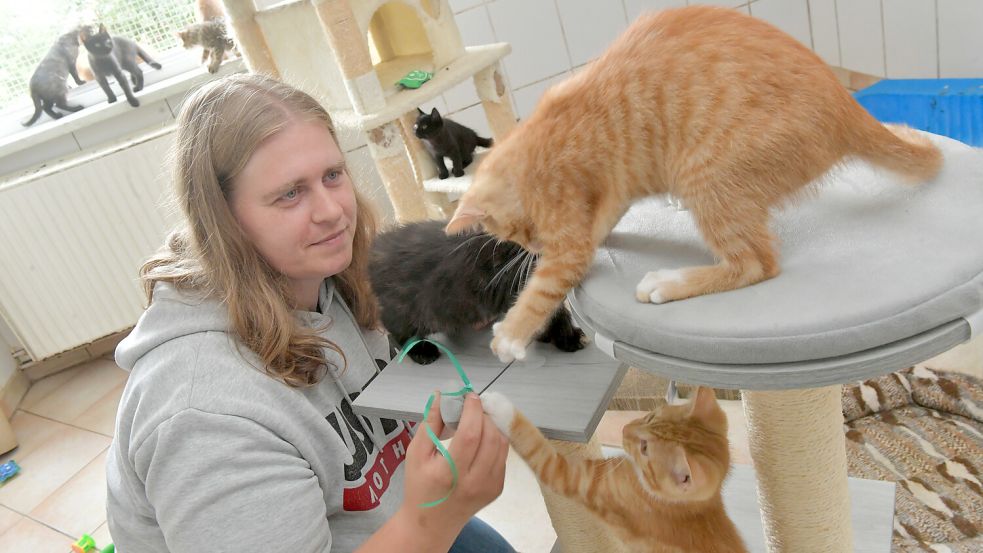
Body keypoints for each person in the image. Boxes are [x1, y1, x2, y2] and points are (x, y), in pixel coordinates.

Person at [105, 73, 514, 553]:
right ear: (223, 218)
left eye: (333, 176)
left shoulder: (314, 272)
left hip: (393, 519)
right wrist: (435, 520)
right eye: (290, 194)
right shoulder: (205, 418)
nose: (333, 212)